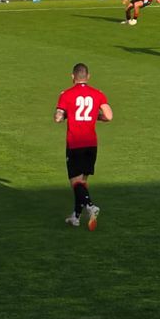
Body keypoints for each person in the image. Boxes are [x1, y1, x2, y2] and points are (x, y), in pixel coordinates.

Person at [54, 62, 112, 231]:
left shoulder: (66, 95)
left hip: (75, 143)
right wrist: (95, 116)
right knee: (83, 181)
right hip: (91, 143)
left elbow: (58, 118)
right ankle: (76, 217)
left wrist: (62, 114)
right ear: (88, 76)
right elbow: (108, 116)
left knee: (75, 181)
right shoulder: (98, 94)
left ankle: (90, 206)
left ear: (73, 77)